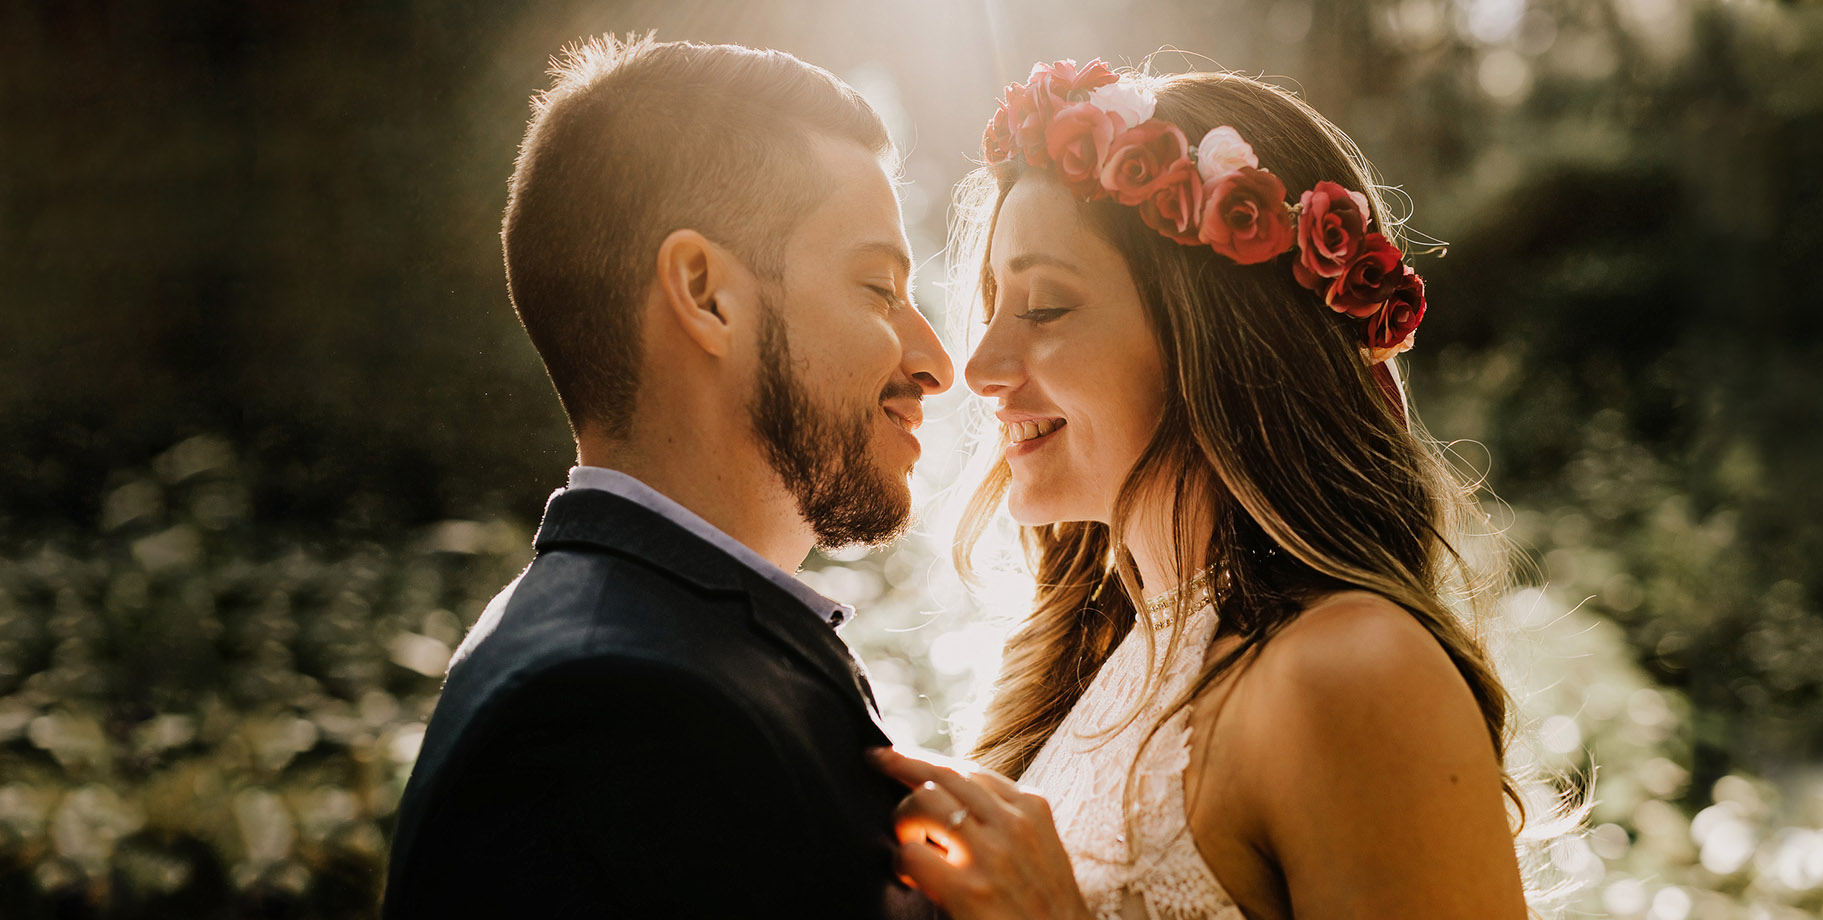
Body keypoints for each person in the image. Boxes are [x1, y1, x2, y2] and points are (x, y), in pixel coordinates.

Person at [872, 61, 1543, 919]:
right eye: (995, 304)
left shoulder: (1353, 671)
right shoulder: (1101, 672)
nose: (979, 367)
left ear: (1219, 342)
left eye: (1042, 308)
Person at [383, 35, 951, 918]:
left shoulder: (665, 643)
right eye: (878, 288)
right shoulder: (612, 714)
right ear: (706, 293)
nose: (935, 360)